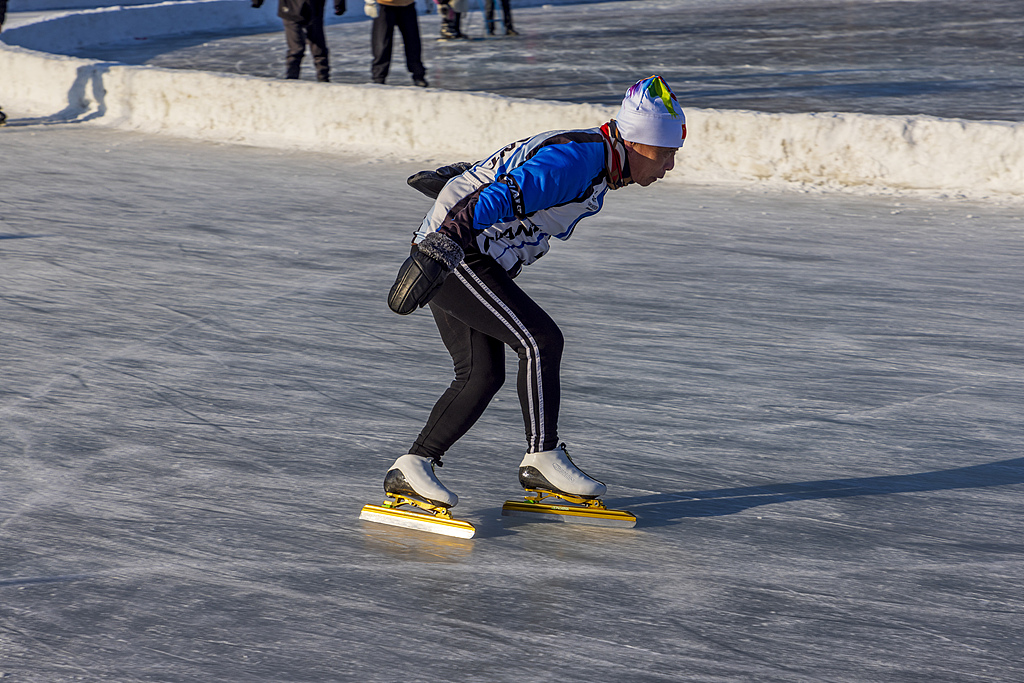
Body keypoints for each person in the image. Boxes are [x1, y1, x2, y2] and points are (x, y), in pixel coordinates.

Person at [382, 75, 686, 513]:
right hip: (456, 253)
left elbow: (513, 172)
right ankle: (542, 456)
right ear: (638, 143)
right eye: (666, 154)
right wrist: (443, 243)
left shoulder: (594, 155)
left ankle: (412, 466)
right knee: (540, 340)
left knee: (482, 375)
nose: (669, 167)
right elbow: (499, 197)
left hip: (464, 249)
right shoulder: (578, 162)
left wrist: (460, 178)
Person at [252, 0, 345, 82]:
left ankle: (323, 79)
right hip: (291, 11)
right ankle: (292, 80)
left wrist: (339, 4)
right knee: (296, 49)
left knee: (318, 48)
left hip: (313, 11)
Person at [366, 0, 428, 86]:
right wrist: (370, 2)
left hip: (407, 5)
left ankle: (418, 75)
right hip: (384, 5)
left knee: (412, 42)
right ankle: (379, 77)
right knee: (381, 44)